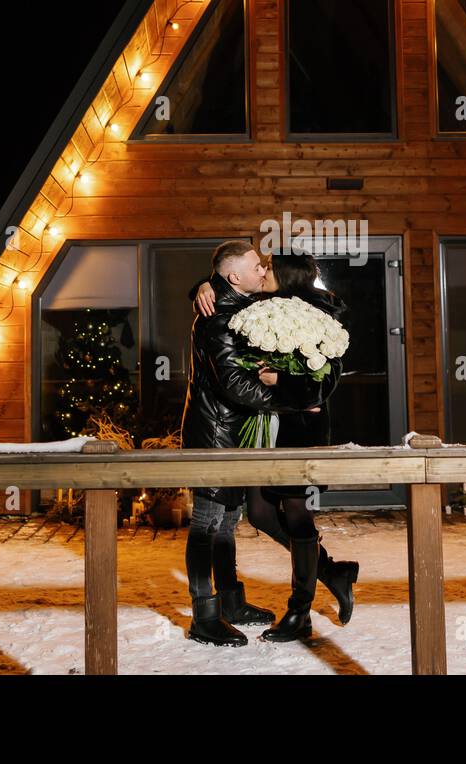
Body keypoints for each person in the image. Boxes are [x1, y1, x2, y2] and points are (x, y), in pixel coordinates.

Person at [189, 251, 359, 642]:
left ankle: (300, 613)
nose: (262, 272)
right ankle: (332, 571)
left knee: (296, 514)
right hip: (265, 428)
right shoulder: (263, 304)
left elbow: (321, 386)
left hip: (300, 428)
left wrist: (278, 384)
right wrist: (200, 286)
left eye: (268, 268)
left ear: (285, 277)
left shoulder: (320, 312)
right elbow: (226, 284)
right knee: (261, 514)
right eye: (258, 267)